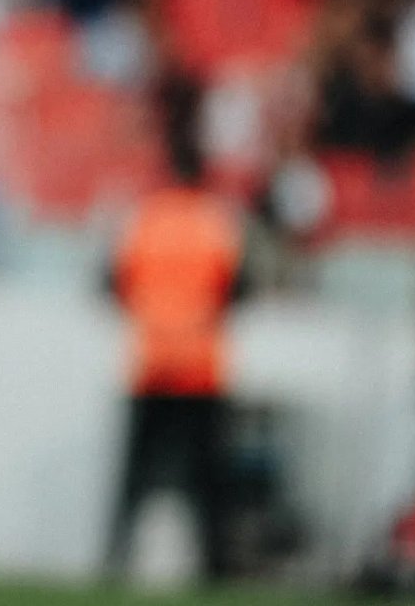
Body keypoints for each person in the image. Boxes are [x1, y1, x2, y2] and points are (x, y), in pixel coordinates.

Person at [105, 134, 245, 582]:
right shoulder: (215, 222)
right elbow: (237, 288)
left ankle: (116, 557)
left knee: (135, 475)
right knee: (208, 477)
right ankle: (215, 565)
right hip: (200, 366)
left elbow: (116, 282)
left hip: (151, 363)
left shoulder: (145, 219)